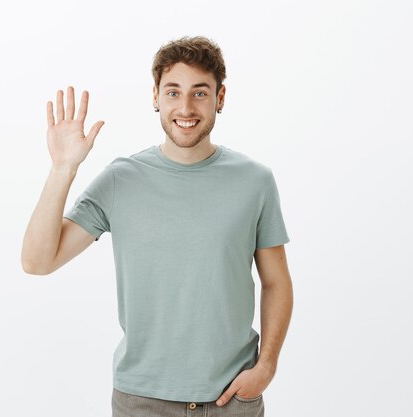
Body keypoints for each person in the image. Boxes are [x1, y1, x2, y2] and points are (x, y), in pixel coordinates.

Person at [21, 35, 293, 417]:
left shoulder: (255, 181)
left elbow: (277, 281)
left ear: (221, 98)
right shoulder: (121, 180)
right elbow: (37, 261)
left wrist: (266, 367)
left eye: (200, 93)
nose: (185, 107)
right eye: (172, 92)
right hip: (142, 401)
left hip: (233, 398)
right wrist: (63, 168)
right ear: (155, 97)